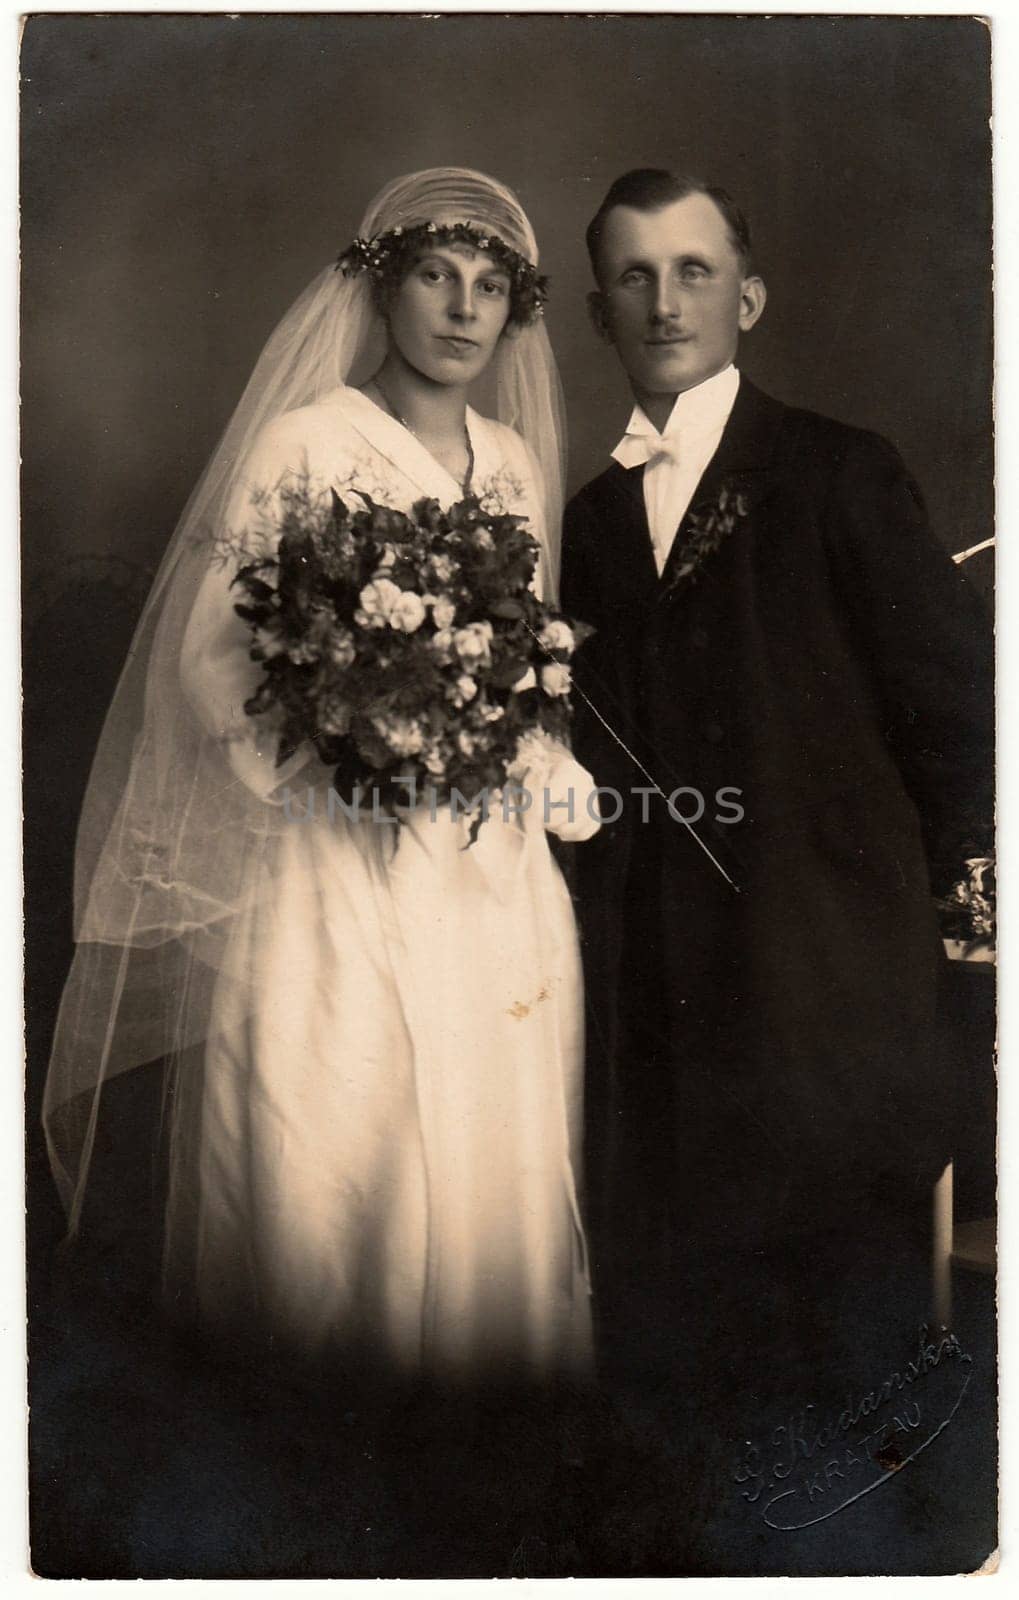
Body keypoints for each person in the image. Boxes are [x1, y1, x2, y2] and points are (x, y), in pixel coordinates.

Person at [44, 168, 600, 1392]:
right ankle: (328, 1428)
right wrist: (355, 751)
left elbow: (524, 655)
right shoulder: (305, 443)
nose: (462, 311)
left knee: (491, 1127)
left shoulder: (510, 461)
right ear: (379, 287)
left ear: (515, 310)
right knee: (340, 1127)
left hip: (487, 873)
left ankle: (479, 1412)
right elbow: (208, 654)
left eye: (490, 287)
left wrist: (531, 751)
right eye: (434, 278)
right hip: (333, 848)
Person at [560, 169, 994, 1404]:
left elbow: (965, 722)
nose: (664, 301)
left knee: (836, 1384)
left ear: (747, 297)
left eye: (693, 270)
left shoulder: (838, 472)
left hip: (827, 1010)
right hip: (652, 1021)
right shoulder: (584, 521)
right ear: (597, 313)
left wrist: (918, 944)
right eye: (633, 276)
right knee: (679, 1371)